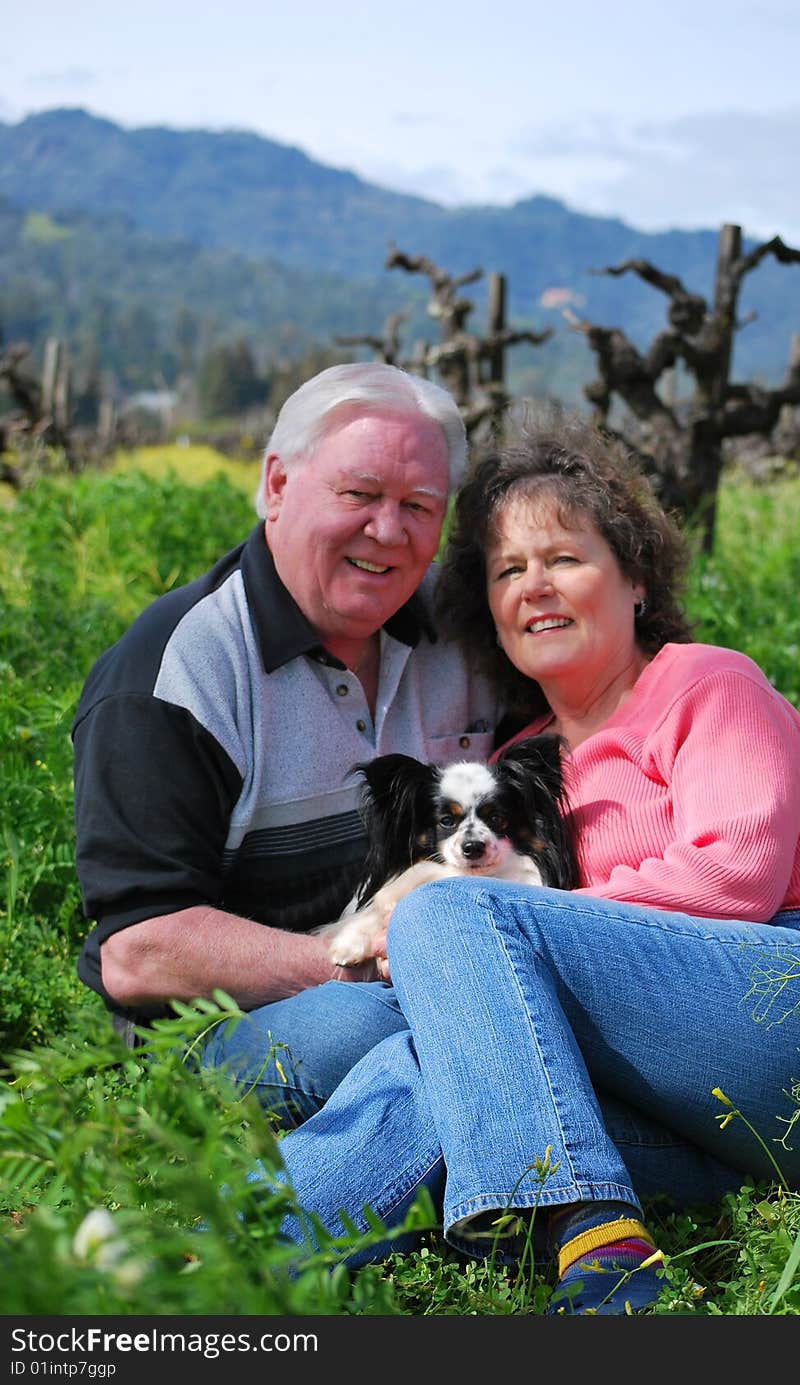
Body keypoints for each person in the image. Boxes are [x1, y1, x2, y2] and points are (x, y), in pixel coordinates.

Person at [252, 412, 800, 1315]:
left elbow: (733, 878)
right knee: (443, 1068)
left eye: (565, 559)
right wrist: (492, 958)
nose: (534, 587)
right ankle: (202, 1264)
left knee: (450, 911)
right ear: (490, 613)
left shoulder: (707, 683)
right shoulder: (524, 766)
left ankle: (596, 1240)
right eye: (509, 570)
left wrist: (495, 930)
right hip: (705, 1112)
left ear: (634, 579)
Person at [72, 362, 500, 1112]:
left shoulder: (465, 635)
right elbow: (138, 951)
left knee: (488, 1025)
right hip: (215, 1031)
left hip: (431, 979)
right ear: (276, 485)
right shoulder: (176, 671)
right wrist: (363, 964)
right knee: (384, 1031)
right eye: (360, 494)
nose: (389, 530)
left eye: (419, 504)